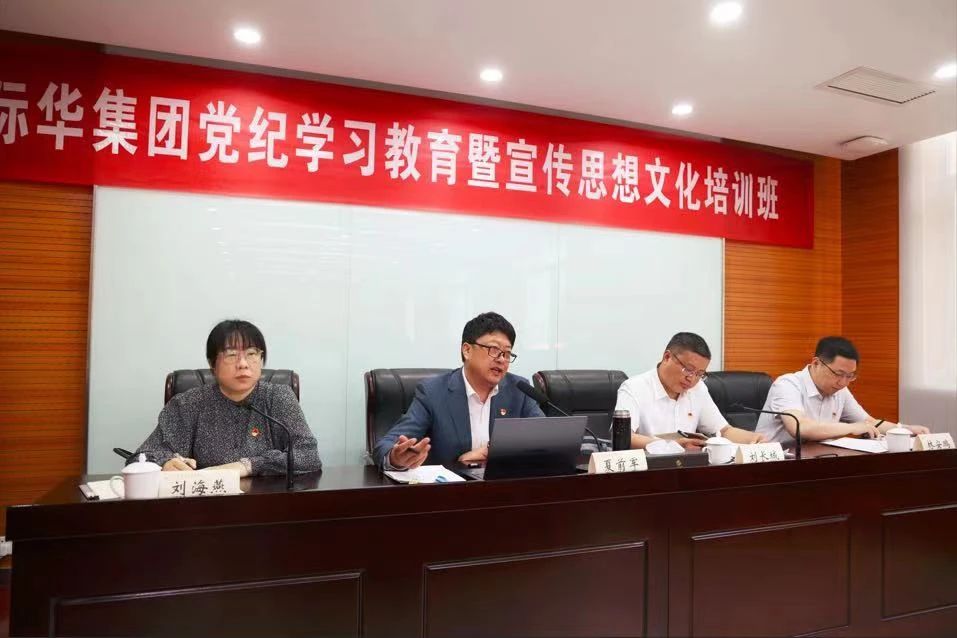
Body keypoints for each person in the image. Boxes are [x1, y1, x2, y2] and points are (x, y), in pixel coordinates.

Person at [131, 319, 321, 476]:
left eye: (252, 353)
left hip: (267, 502)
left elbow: (309, 456)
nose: (243, 364)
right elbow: (141, 457)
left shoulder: (278, 397)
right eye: (231, 355)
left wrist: (247, 466)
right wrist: (166, 463)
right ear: (212, 363)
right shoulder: (188, 404)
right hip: (206, 503)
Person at [373, 312, 545, 470]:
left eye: (507, 354)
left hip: (505, 488)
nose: (501, 360)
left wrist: (491, 452)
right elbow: (385, 446)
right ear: (467, 350)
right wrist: (396, 458)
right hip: (451, 490)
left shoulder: (519, 390)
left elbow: (544, 440)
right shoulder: (433, 393)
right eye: (494, 350)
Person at [756, 336, 929, 443]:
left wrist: (905, 429)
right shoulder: (788, 384)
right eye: (838, 374)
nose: (843, 382)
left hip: (816, 461)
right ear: (816, 363)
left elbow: (869, 422)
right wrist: (851, 428)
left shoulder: (839, 390)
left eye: (850, 376)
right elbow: (800, 428)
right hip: (774, 465)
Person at [615, 332, 765, 450]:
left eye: (699, 374)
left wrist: (754, 439)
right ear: (667, 357)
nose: (691, 379)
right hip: (648, 471)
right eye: (688, 369)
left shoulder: (698, 389)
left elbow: (724, 431)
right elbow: (624, 437)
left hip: (687, 470)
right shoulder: (634, 388)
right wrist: (671, 446)